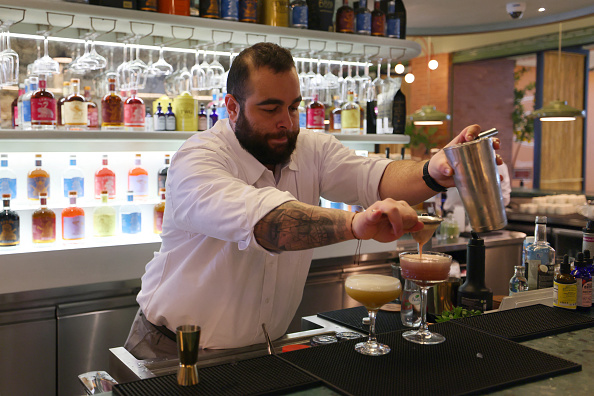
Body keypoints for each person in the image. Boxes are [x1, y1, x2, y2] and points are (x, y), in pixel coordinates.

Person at [124, 42, 502, 359]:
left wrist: (434, 170)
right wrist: (355, 224)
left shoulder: (310, 148)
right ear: (232, 107)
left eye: (293, 107)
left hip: (259, 352)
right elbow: (268, 222)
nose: (286, 122)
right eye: (270, 109)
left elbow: (375, 177)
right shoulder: (199, 158)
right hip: (171, 350)